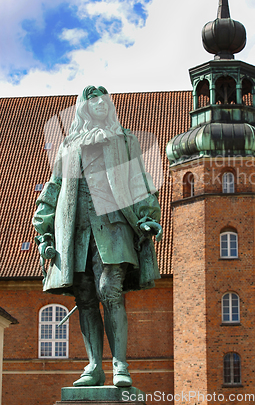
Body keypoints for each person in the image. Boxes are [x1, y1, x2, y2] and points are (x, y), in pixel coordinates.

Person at [32, 85, 162, 388]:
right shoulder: (68, 145)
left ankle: (119, 365)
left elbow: (138, 179)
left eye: (104, 99)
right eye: (93, 99)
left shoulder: (124, 139)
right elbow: (54, 187)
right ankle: (94, 366)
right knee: (86, 297)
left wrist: (147, 217)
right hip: (75, 230)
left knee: (110, 291)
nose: (100, 103)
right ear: (83, 107)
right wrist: (44, 228)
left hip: (114, 225)